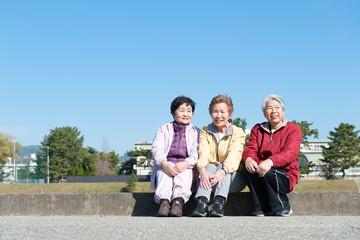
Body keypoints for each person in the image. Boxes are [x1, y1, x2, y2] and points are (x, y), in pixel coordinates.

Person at [242, 94, 302, 217]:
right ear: (264, 113)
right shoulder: (257, 129)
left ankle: (283, 206)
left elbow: (290, 153)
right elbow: (251, 148)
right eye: (269, 108)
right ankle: (262, 207)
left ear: (283, 111)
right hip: (261, 170)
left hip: (285, 173)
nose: (274, 111)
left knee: (270, 172)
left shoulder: (293, 129)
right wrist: (248, 159)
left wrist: (270, 161)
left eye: (277, 107)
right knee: (247, 170)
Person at [192, 94, 246, 217]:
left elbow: (235, 155)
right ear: (210, 113)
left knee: (223, 166)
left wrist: (223, 170)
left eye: (222, 112)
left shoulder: (237, 131)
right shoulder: (205, 131)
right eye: (215, 112)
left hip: (234, 178)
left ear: (230, 114)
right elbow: (203, 153)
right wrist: (202, 171)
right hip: (210, 179)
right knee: (209, 166)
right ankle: (202, 203)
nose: (218, 115)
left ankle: (219, 203)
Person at [150, 96, 199, 217]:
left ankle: (178, 203)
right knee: (164, 175)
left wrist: (186, 163)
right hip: (166, 163)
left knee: (184, 175)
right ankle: (164, 203)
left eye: (189, 111)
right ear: (173, 113)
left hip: (185, 164)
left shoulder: (196, 131)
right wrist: (163, 163)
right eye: (181, 110)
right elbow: (157, 149)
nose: (186, 114)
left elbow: (196, 152)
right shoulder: (163, 129)